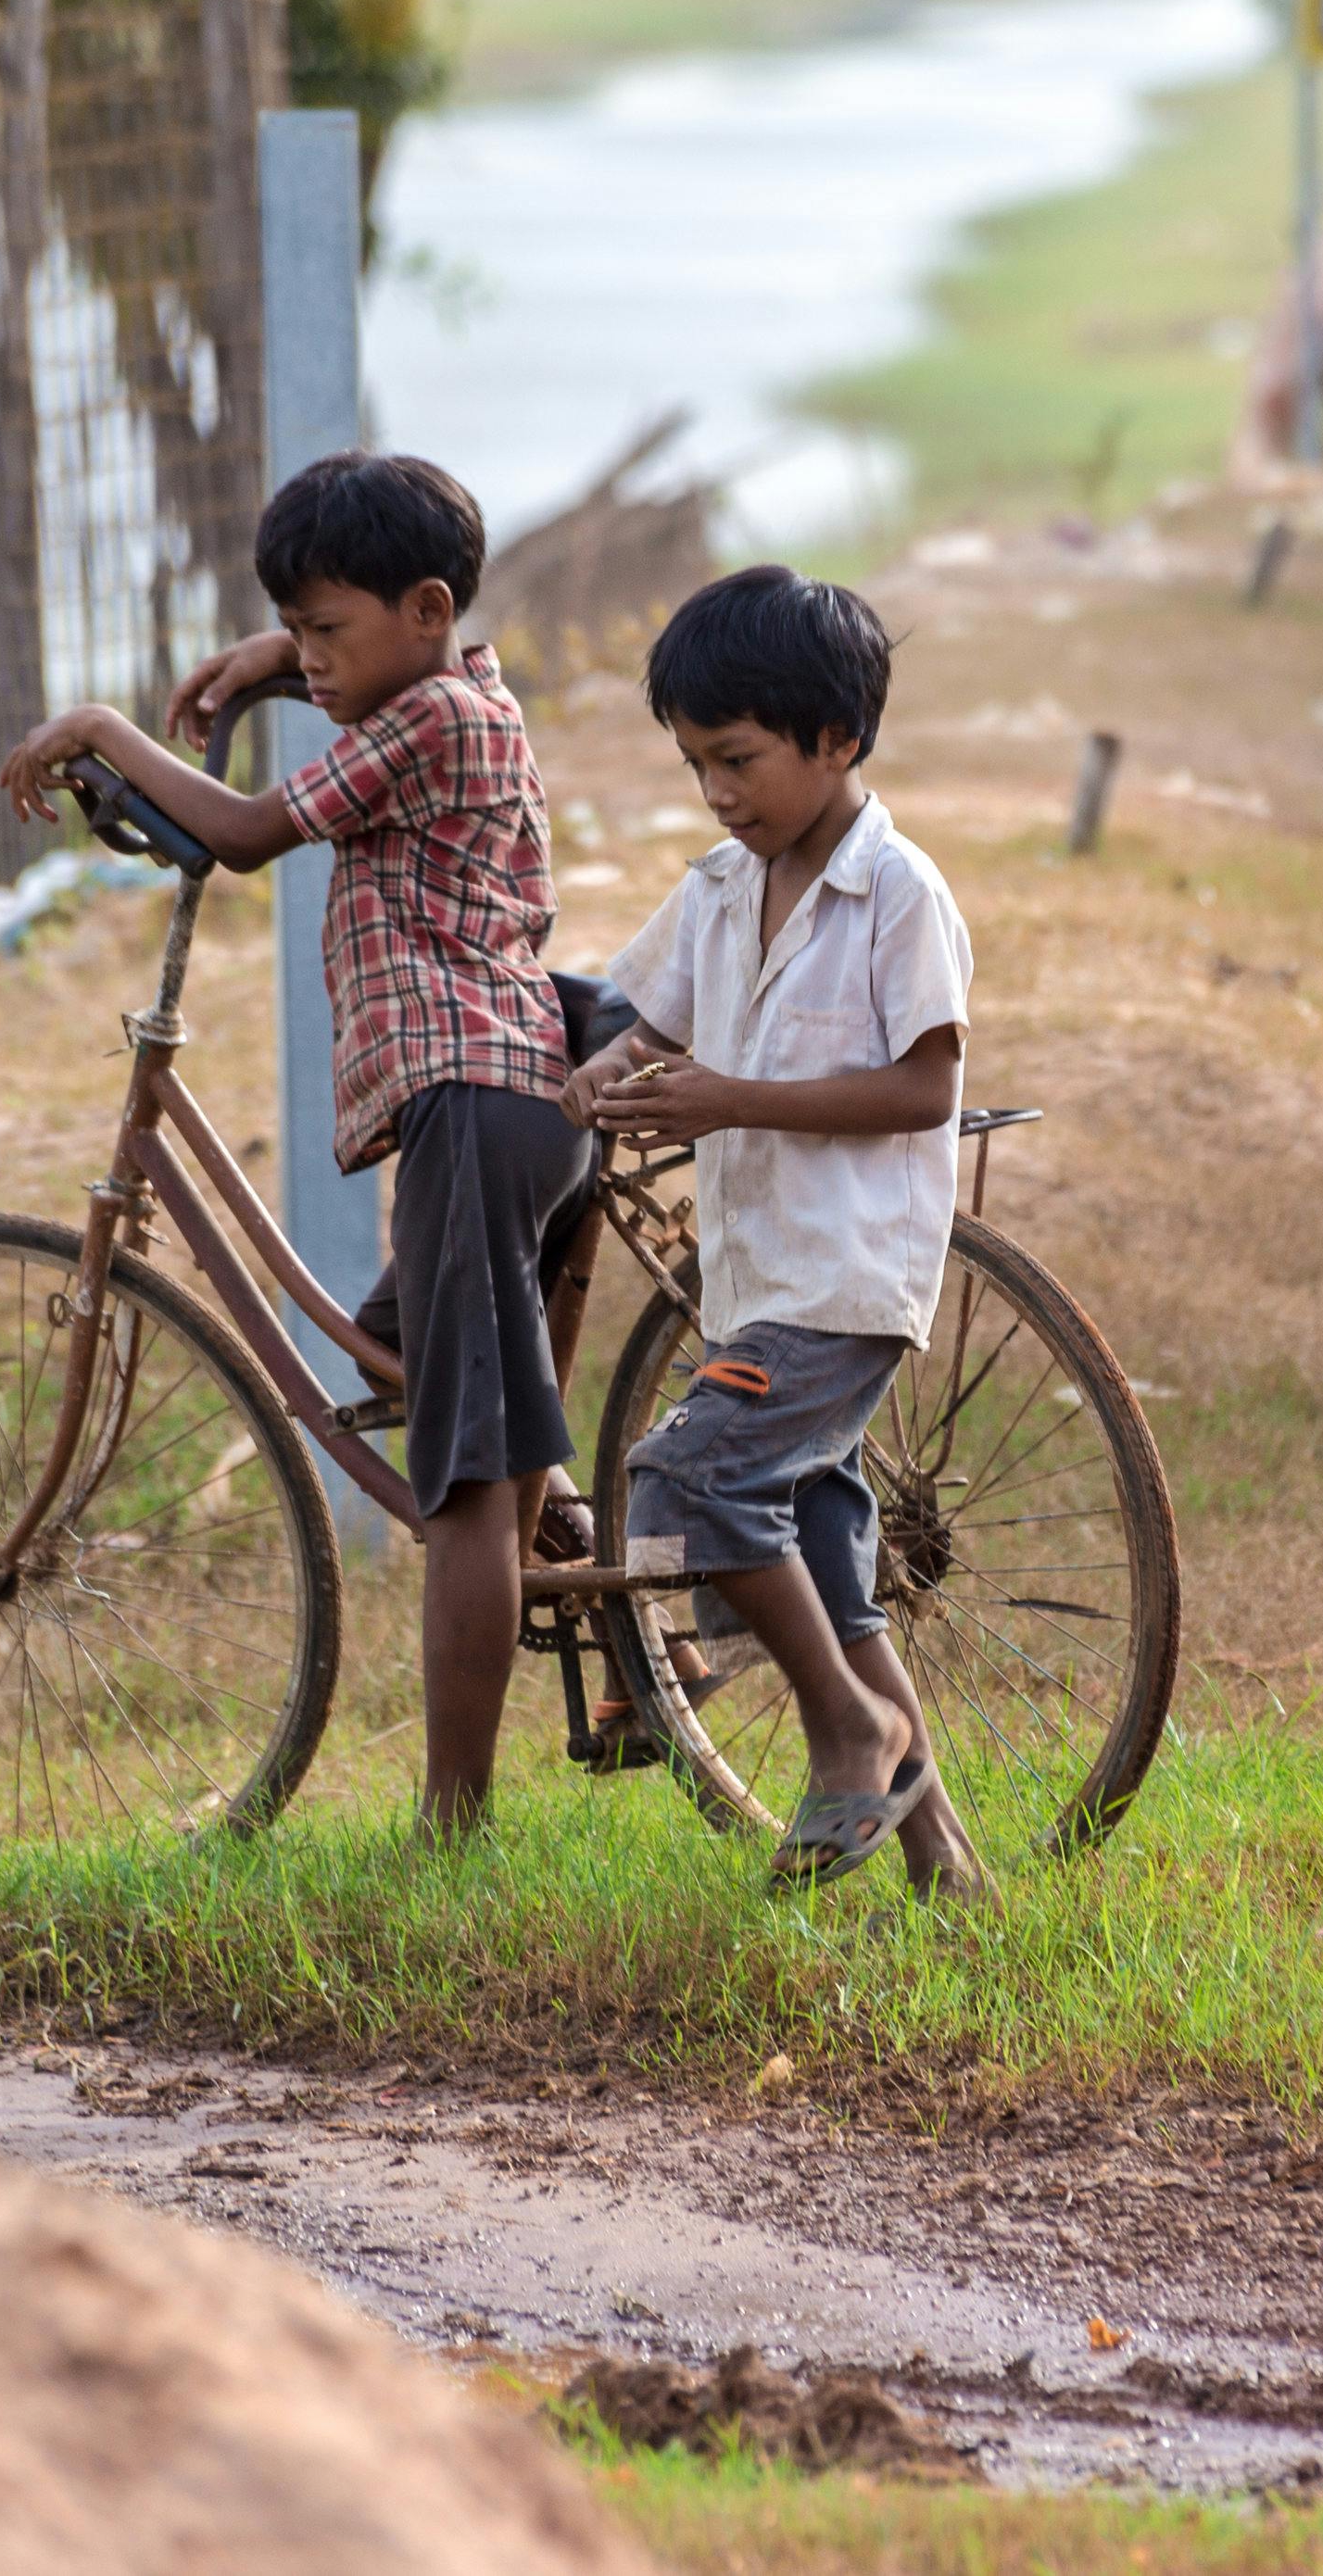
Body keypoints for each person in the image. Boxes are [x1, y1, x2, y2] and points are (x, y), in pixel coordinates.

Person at [0, 450, 581, 1841]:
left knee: (462, 1489)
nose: (314, 660)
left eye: (331, 632)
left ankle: (454, 1827)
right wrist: (280, 658)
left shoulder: (428, 717)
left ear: (425, 609)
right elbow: (364, 672)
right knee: (419, 1376)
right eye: (302, 630)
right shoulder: (445, 683)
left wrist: (99, 727)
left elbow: (253, 832)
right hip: (493, 1103)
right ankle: (589, 1569)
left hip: (473, 1096)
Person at [568, 566, 988, 1896]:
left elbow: (927, 1087)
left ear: (836, 739)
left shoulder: (900, 894)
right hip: (757, 1284)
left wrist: (730, 1097)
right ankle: (950, 1872)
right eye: (698, 765)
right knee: (821, 1560)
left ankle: (849, 1731)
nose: (720, 793)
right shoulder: (716, 887)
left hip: (844, 1284)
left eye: (740, 760)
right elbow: (661, 1024)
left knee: (683, 1482)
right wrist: (610, 1074)